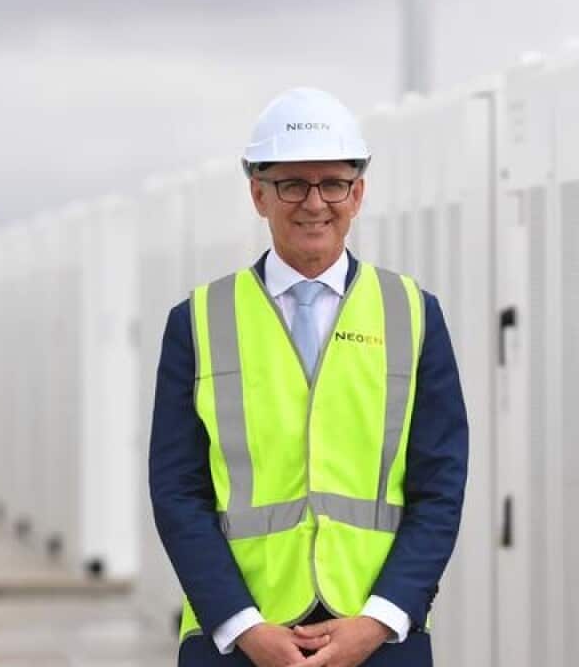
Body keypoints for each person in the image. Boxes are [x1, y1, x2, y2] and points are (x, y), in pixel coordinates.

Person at [149, 87, 468, 667]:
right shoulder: (197, 321)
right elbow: (177, 492)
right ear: (258, 194)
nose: (314, 203)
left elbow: (440, 488)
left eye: (333, 183)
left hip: (379, 639)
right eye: (292, 184)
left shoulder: (414, 313)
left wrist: (379, 619)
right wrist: (243, 625)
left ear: (359, 193)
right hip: (239, 640)